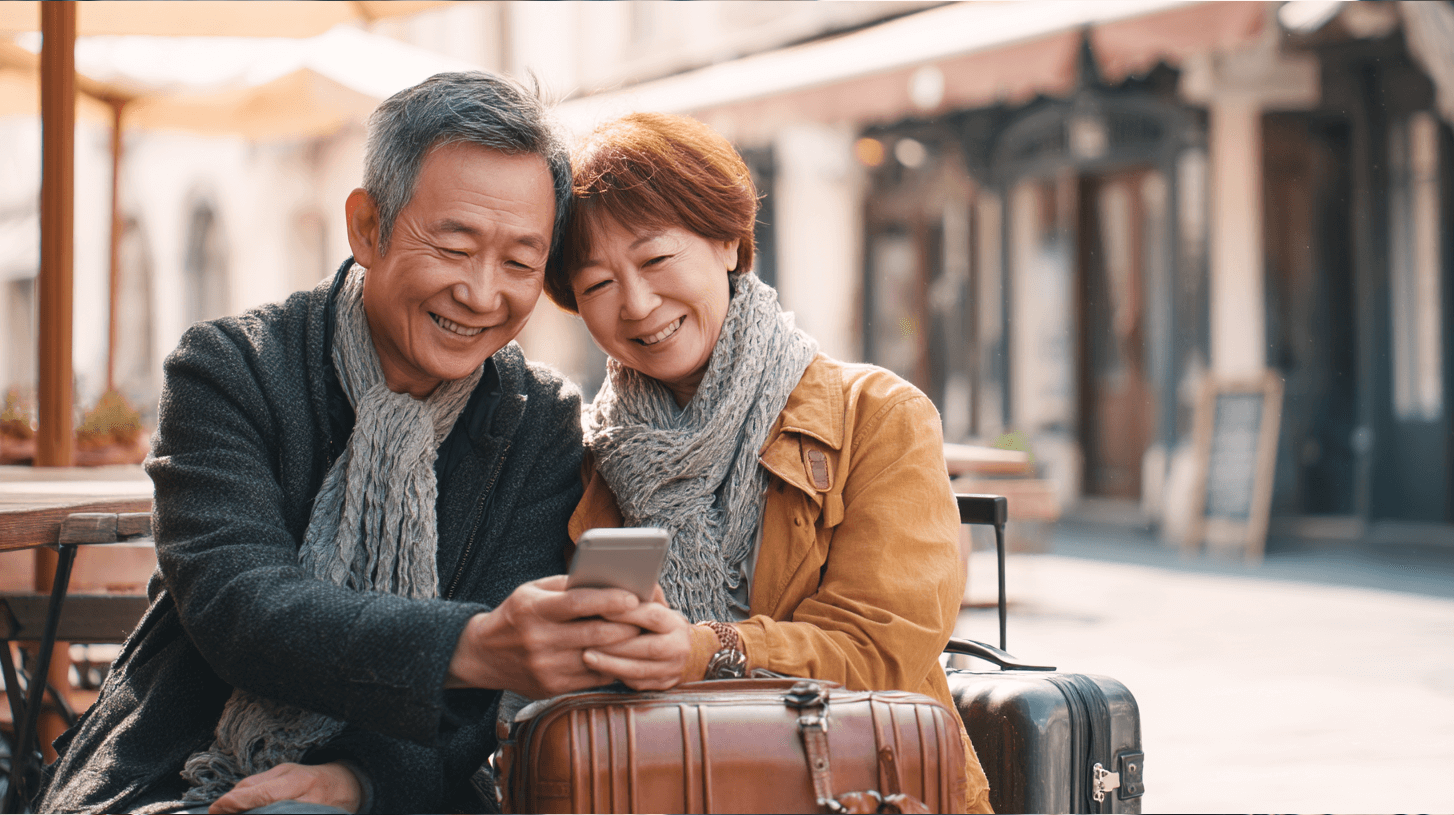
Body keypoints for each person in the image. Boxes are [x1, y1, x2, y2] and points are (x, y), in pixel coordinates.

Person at [38, 73, 678, 815]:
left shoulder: (539, 418)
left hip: (410, 790)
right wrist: (471, 644)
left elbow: (479, 716)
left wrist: (363, 781)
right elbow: (242, 606)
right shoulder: (229, 368)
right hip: (184, 770)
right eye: (454, 244)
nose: (480, 292)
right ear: (367, 227)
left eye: (519, 262)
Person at [542, 112, 995, 813]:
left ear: (727, 241)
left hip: (866, 791)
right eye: (598, 283)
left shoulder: (878, 416)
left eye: (657, 260)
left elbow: (880, 651)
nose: (636, 303)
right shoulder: (591, 457)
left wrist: (698, 650)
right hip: (666, 790)